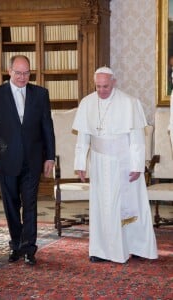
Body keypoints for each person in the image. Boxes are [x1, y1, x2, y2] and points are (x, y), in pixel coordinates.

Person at [72, 66, 158, 264]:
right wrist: (80, 164)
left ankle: (135, 246)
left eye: (105, 86)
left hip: (124, 162)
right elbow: (83, 137)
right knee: (102, 207)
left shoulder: (129, 103)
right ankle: (101, 250)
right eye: (98, 86)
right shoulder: (87, 103)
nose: (102, 90)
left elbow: (137, 139)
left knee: (129, 206)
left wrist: (137, 166)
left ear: (114, 83)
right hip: (100, 162)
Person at [0, 55, 55, 265]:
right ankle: (16, 244)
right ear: (9, 71)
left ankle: (29, 249)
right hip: (7, 159)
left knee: (30, 204)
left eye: (27, 73)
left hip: (33, 159)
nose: (23, 77)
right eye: (19, 73)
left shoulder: (40, 94)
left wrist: (50, 156)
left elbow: (47, 127)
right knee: (11, 205)